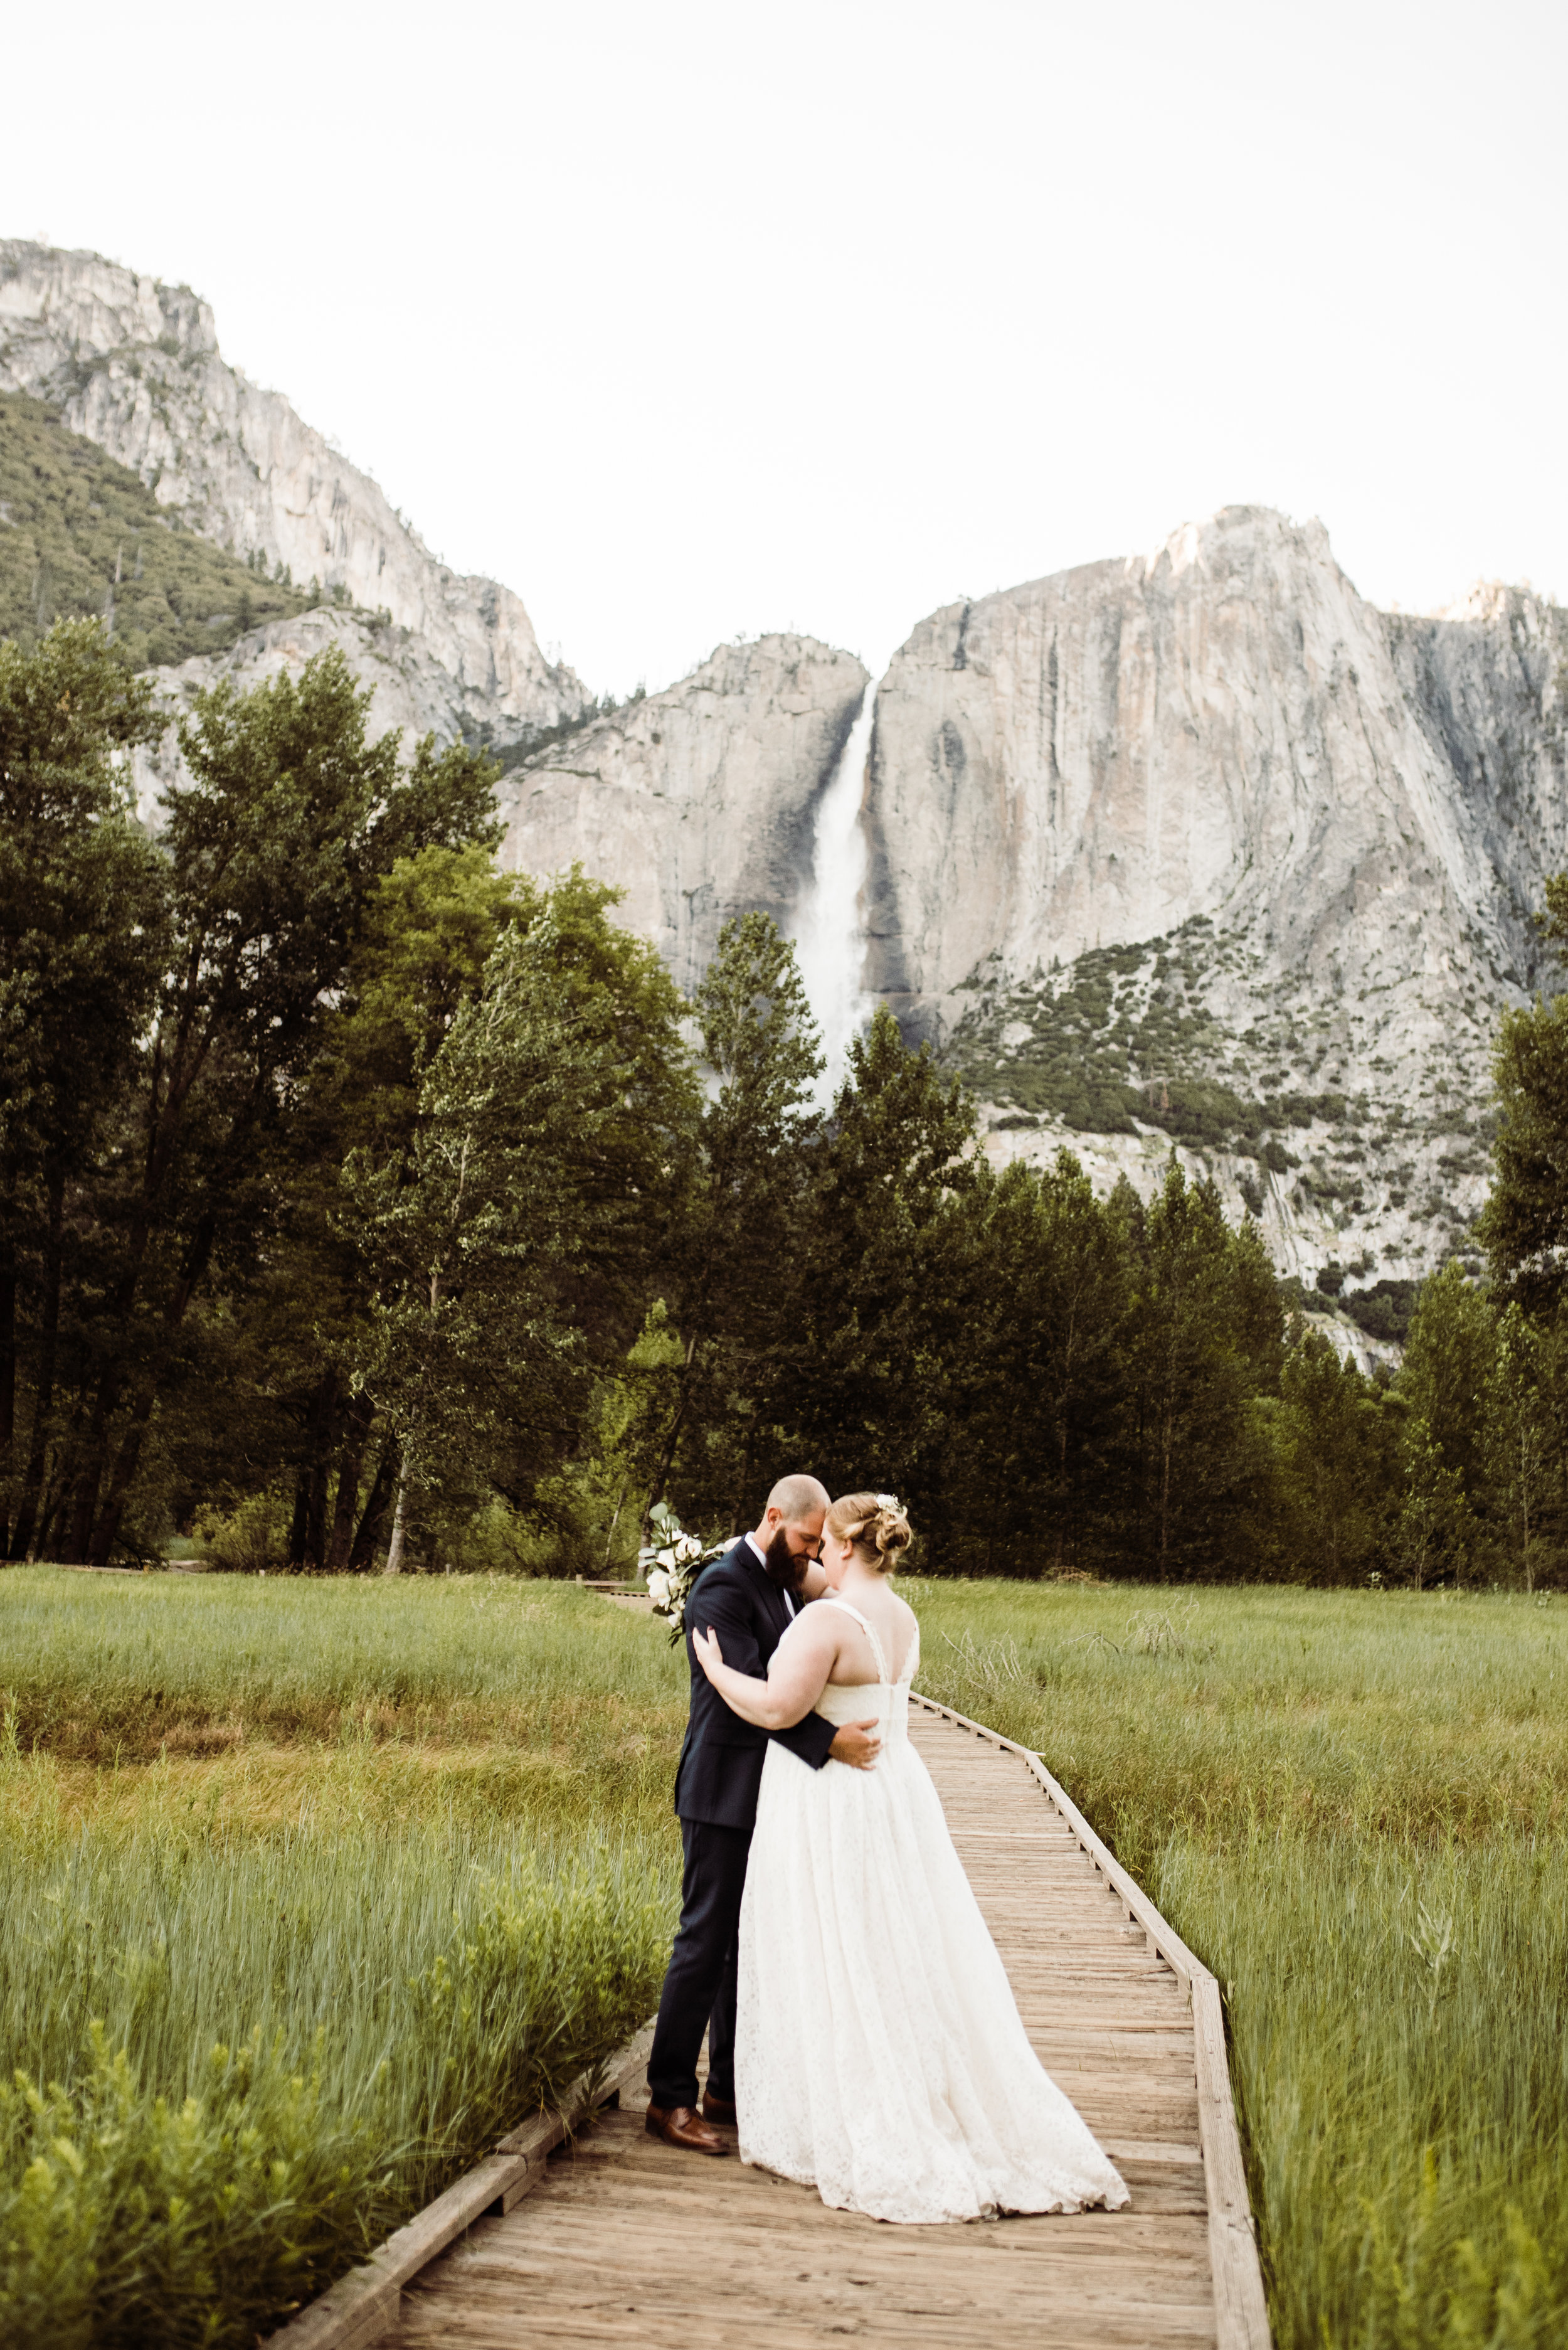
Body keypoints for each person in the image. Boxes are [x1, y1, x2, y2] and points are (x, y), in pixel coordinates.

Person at [689, 1489, 1130, 2223]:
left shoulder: (828, 1620)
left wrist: (718, 1667)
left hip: (828, 1800)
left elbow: (775, 1708)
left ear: (836, 1545)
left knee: (833, 1941)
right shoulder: (903, 1617)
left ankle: (855, 2102)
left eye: (820, 1545)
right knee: (890, 1943)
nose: (814, 1556)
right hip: (894, 1793)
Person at [644, 1473, 882, 2155]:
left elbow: (833, 1593)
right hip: (720, 1791)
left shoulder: (781, 1577)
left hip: (765, 1794)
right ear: (774, 1517)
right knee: (703, 1942)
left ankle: (725, 2084)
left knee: (744, 1943)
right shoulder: (722, 1586)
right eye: (807, 1540)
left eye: (817, 1546)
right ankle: (667, 2097)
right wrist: (828, 1741)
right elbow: (754, 1695)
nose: (812, 1555)